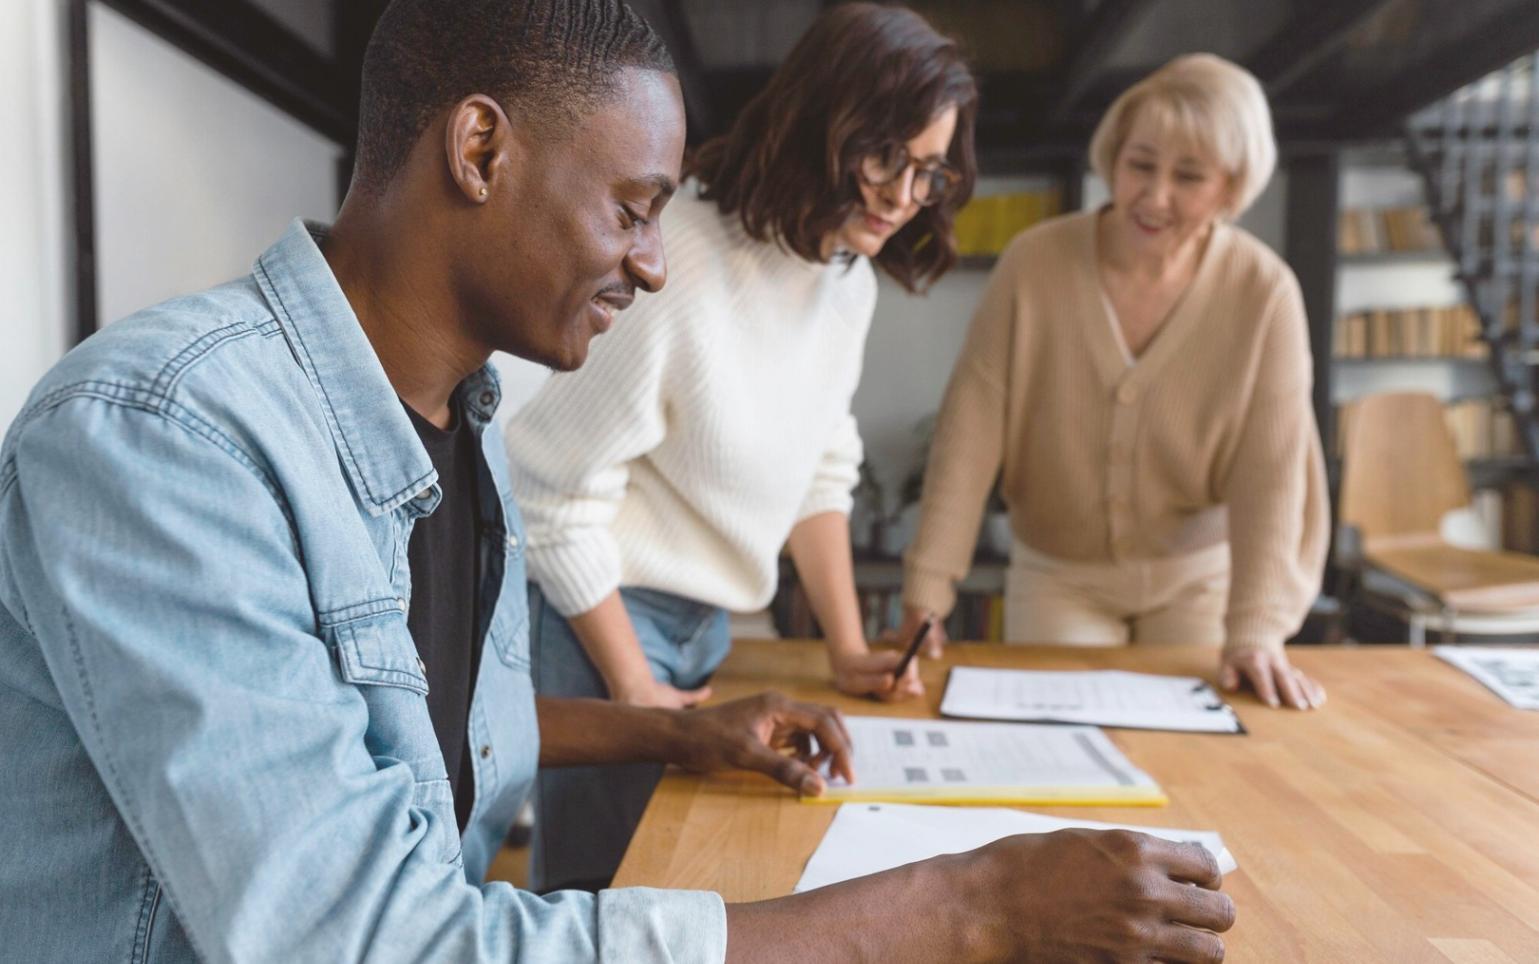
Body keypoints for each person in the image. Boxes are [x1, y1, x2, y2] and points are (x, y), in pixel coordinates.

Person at [0, 2, 1235, 961]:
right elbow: (369, 940)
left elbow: (445, 741)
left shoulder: (464, 419)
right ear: (481, 148)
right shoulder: (164, 439)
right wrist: (968, 908)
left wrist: (675, 729)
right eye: (636, 210)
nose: (654, 265)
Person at [502, 2, 976, 892]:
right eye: (884, 157)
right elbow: (547, 493)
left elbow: (821, 466)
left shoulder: (844, 278)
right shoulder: (679, 256)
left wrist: (845, 644)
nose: (902, 196)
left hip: (704, 623)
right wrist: (635, 689)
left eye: (928, 172)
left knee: (671, 881)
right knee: (596, 896)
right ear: (820, 125)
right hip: (597, 616)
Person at [899, 54, 1330, 711]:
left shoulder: (1263, 292)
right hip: (1058, 576)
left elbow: (1270, 470)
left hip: (1197, 580)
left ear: (1229, 188)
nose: (1153, 197)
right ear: (1112, 156)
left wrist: (1255, 628)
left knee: (1203, 772)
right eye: (1139, 164)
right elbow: (970, 430)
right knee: (1054, 762)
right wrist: (928, 589)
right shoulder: (1034, 263)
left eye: (1187, 176)